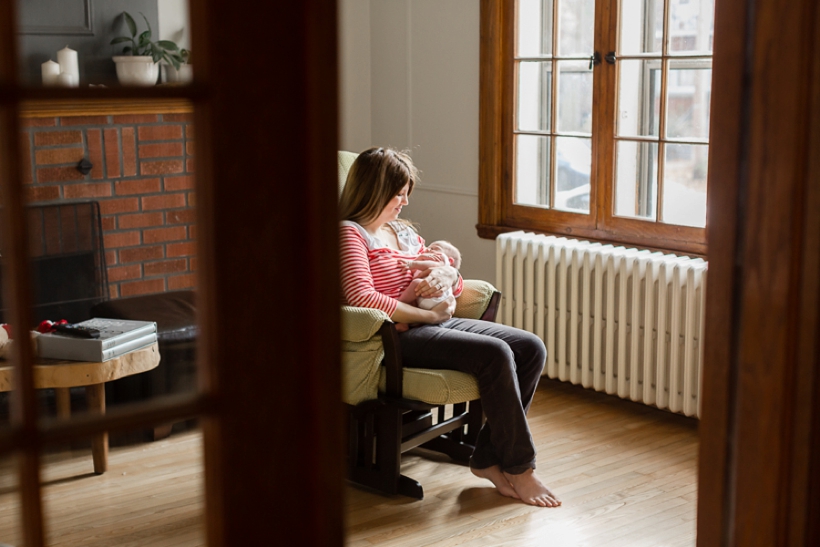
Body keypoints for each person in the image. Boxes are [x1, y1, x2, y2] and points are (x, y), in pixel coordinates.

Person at [339, 146, 561, 508]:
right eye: (398, 194)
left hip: (435, 319)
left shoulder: (403, 232)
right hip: (399, 336)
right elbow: (361, 297)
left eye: (407, 193)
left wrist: (448, 274)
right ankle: (521, 469)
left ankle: (487, 457)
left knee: (531, 347)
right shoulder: (350, 234)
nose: (404, 202)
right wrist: (426, 316)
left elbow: (451, 283)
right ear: (374, 191)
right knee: (495, 353)